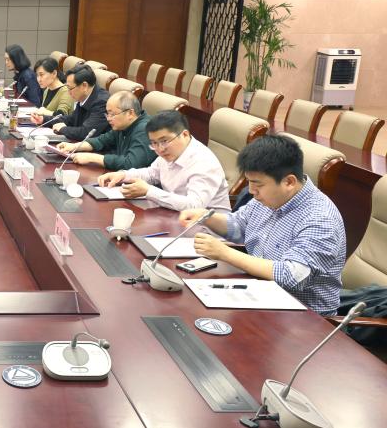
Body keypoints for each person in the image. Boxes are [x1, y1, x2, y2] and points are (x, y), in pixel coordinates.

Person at [180, 135, 346, 316]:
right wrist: (206, 217)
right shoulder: (268, 198)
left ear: (289, 182)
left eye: (257, 184)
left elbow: (291, 276)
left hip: (304, 317)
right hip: (260, 294)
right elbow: (239, 226)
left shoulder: (320, 219)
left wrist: (225, 253)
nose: (251, 191)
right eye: (249, 182)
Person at [97, 110, 230, 212]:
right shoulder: (169, 152)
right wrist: (123, 175)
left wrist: (149, 191)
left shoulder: (203, 162)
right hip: (173, 215)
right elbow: (152, 173)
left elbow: (194, 206)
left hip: (206, 230)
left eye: (164, 141)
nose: (160, 149)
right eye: (154, 143)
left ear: (184, 134)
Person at [56, 90, 156, 171]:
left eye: (112, 114)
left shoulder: (145, 129)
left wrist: (93, 158)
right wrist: (74, 146)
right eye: (107, 114)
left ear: (130, 113)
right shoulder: (123, 125)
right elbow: (101, 141)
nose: (108, 119)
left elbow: (131, 164)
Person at [47, 65, 110, 141]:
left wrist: (63, 129)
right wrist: (44, 119)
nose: (68, 92)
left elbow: (86, 133)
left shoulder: (102, 102)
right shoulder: (84, 96)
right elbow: (72, 119)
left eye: (70, 88)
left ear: (84, 86)